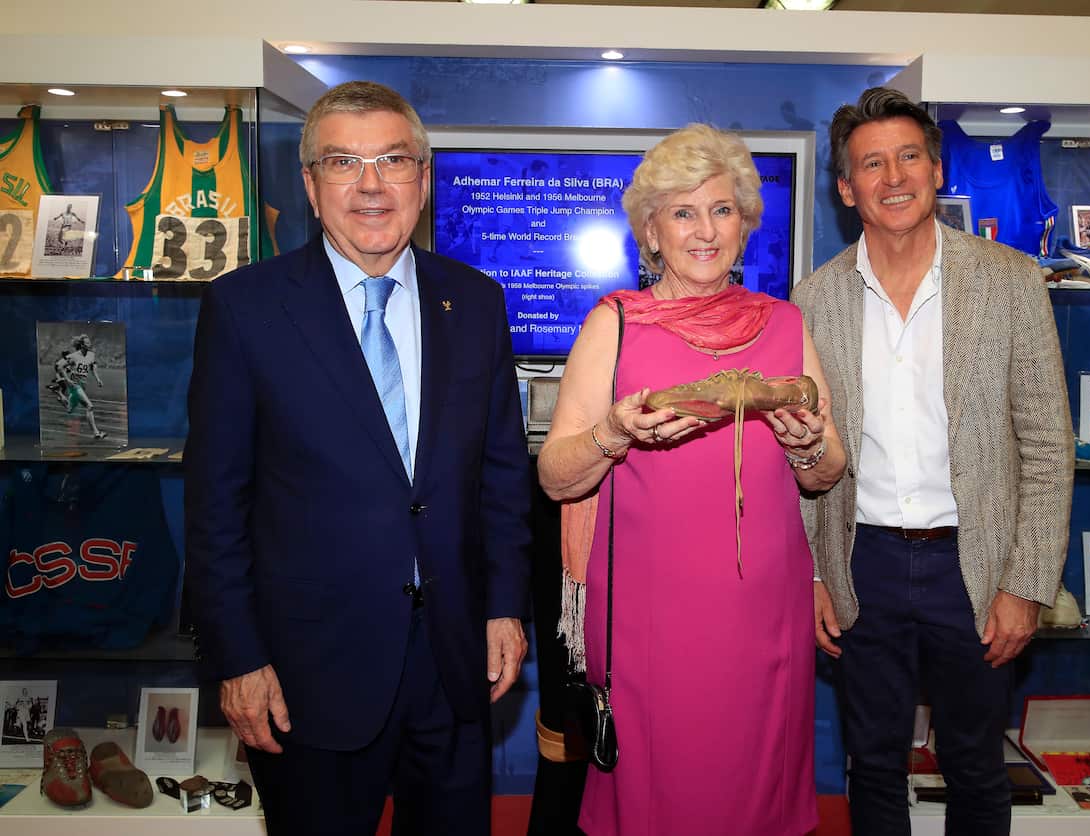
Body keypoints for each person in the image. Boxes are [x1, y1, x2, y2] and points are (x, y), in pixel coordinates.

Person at [184, 80, 531, 836]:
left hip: (452, 661)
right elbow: (215, 504)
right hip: (308, 670)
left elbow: (502, 474)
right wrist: (238, 657)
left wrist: (504, 604)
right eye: (343, 162)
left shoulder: (475, 300)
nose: (371, 186)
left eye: (394, 161)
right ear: (310, 186)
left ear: (424, 179)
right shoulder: (245, 309)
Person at [537, 123, 845, 836]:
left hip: (764, 617)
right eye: (682, 212)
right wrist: (612, 434)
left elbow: (827, 469)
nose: (704, 231)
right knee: (659, 802)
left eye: (722, 210)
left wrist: (806, 447)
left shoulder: (786, 324)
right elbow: (556, 476)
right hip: (649, 622)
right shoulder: (613, 325)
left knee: (756, 799)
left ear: (745, 225)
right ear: (651, 231)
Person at [793, 88, 1073, 836]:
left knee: (978, 767)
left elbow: (1048, 447)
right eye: (872, 164)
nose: (894, 177)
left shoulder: (1012, 282)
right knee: (873, 764)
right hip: (865, 564)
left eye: (909, 156)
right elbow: (802, 455)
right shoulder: (813, 300)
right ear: (847, 188)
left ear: (936, 167)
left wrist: (1026, 583)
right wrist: (816, 573)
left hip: (973, 569)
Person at [64, 334, 107, 440]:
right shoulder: (73, 356)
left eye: (89, 342)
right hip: (75, 385)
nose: (90, 344)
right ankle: (96, 433)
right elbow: (61, 367)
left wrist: (98, 379)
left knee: (69, 409)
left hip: (83, 385)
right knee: (90, 406)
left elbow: (93, 368)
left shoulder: (91, 355)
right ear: (82, 345)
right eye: (87, 343)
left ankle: (58, 394)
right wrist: (67, 379)